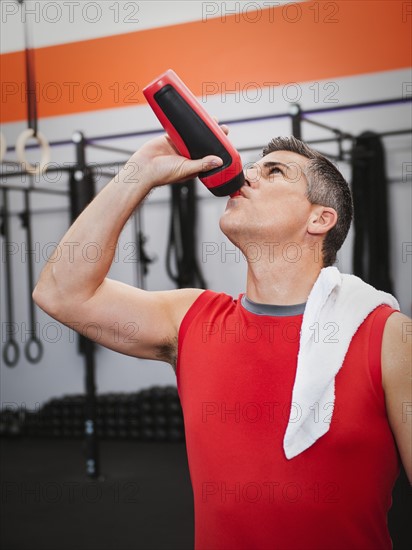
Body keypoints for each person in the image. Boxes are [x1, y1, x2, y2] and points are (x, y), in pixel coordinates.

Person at [33, 131, 411, 550]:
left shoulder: (388, 337)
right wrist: (139, 172)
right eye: (252, 167)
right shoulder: (191, 320)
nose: (246, 177)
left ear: (320, 219)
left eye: (275, 171)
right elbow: (60, 293)